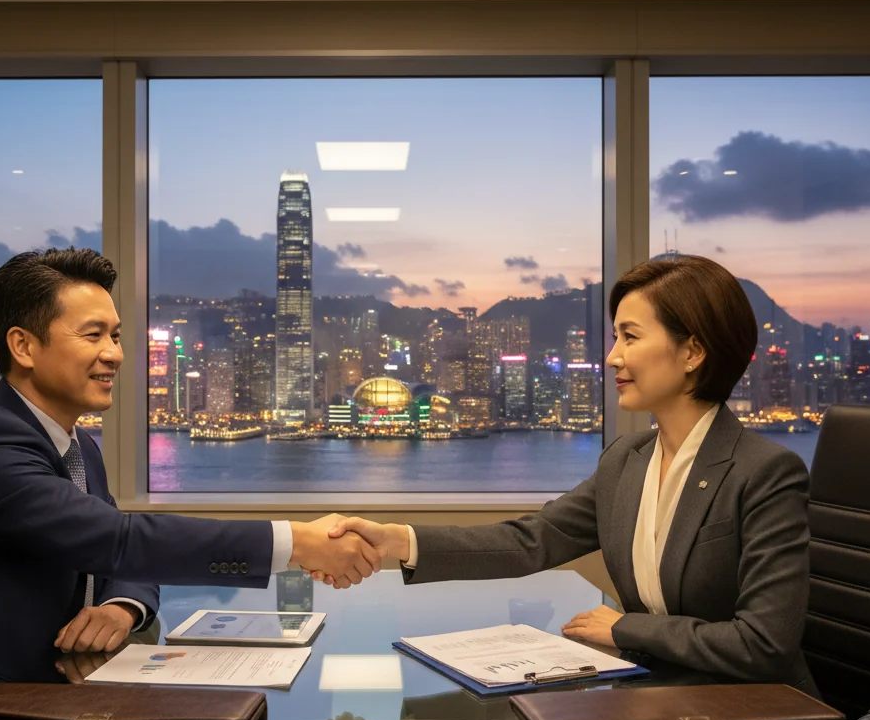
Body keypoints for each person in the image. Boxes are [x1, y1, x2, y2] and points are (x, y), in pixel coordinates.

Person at [0, 248, 378, 720]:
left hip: (55, 702)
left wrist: (122, 606)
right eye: (93, 335)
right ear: (24, 346)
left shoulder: (76, 446)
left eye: (115, 336)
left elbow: (122, 557)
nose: (115, 354)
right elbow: (119, 539)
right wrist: (295, 542)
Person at [324, 255, 816, 693]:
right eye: (615, 337)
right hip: (658, 692)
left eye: (631, 337)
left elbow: (763, 644)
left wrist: (624, 629)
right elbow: (531, 540)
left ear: (692, 352)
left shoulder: (765, 473)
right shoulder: (627, 459)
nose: (613, 357)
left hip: (751, 715)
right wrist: (396, 542)